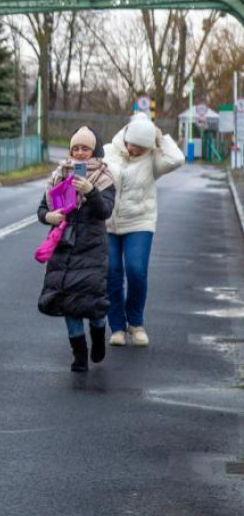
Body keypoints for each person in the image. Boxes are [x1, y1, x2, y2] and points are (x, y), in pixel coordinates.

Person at [37, 127, 115, 372]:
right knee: (68, 302)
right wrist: (48, 216)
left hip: (92, 248)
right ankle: (79, 355)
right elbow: (42, 209)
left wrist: (90, 193)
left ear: (94, 151)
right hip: (64, 246)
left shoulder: (104, 177)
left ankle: (99, 334)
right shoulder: (59, 175)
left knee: (92, 302)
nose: (80, 153)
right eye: (76, 149)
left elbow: (105, 212)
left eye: (85, 149)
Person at [103, 115, 184, 346]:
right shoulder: (109, 151)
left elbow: (177, 159)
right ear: (126, 138)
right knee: (112, 273)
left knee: (136, 270)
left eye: (141, 147)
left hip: (140, 221)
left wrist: (160, 138)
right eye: (132, 145)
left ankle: (136, 323)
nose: (135, 151)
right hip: (108, 222)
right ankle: (117, 327)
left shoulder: (153, 159)